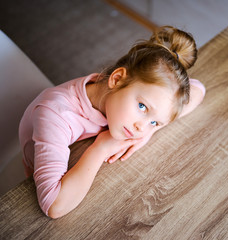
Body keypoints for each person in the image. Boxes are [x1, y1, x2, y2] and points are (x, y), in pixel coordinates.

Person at [19, 26, 206, 219]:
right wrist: (100, 148)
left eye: (154, 122)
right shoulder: (55, 115)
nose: (140, 128)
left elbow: (199, 89)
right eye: (142, 107)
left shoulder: (121, 100)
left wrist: (152, 128)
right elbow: (55, 205)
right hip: (30, 182)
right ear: (116, 79)